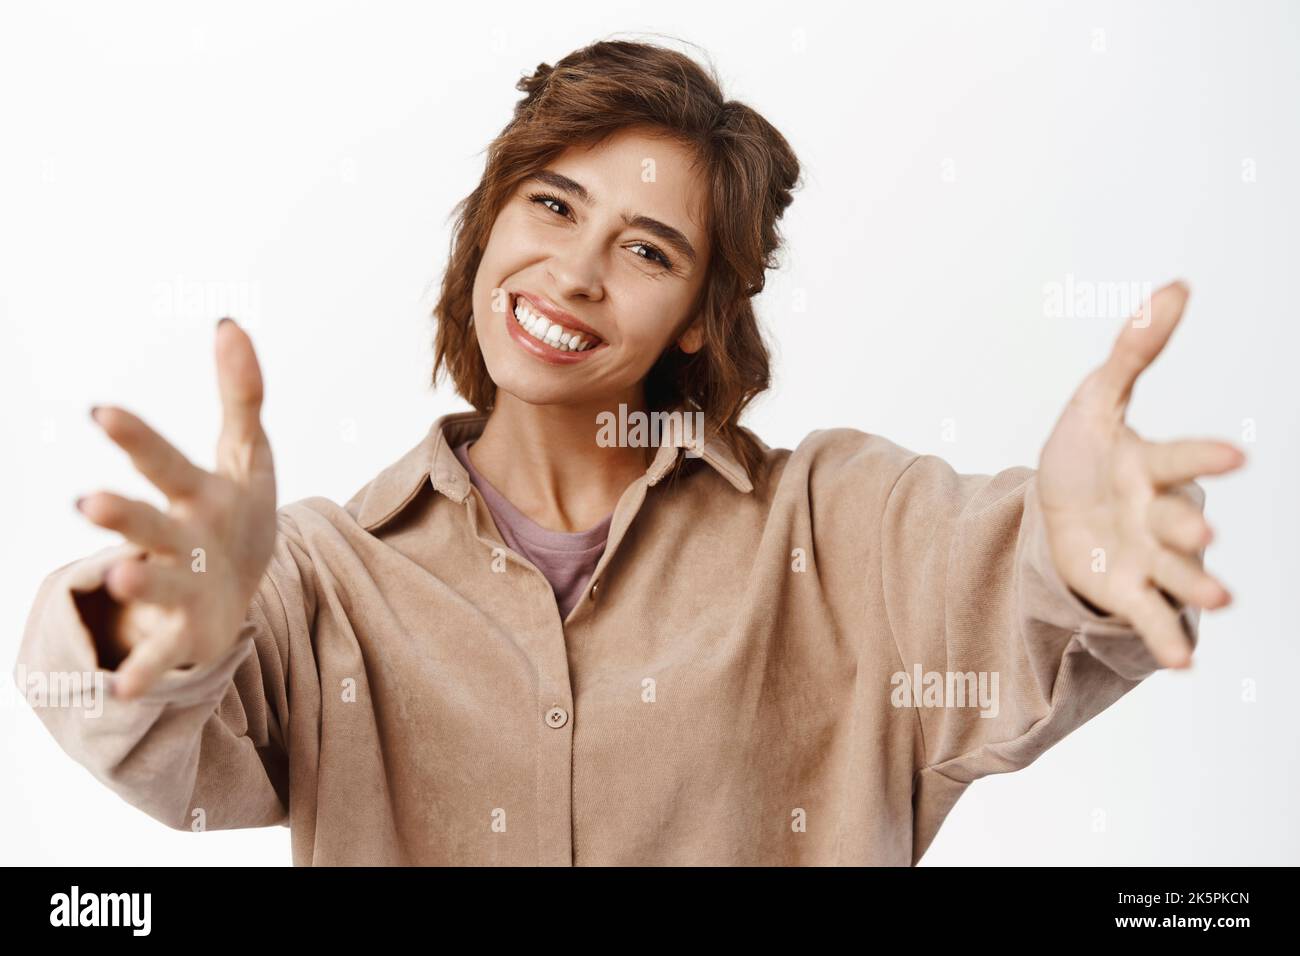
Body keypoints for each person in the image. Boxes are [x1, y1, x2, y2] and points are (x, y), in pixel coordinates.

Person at [14, 39, 1245, 865]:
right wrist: (152, 630)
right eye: (552, 203)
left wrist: (1076, 554)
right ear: (493, 217)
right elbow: (143, 743)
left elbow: (1015, 588)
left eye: (648, 250)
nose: (575, 272)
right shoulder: (325, 576)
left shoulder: (834, 526)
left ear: (704, 313)